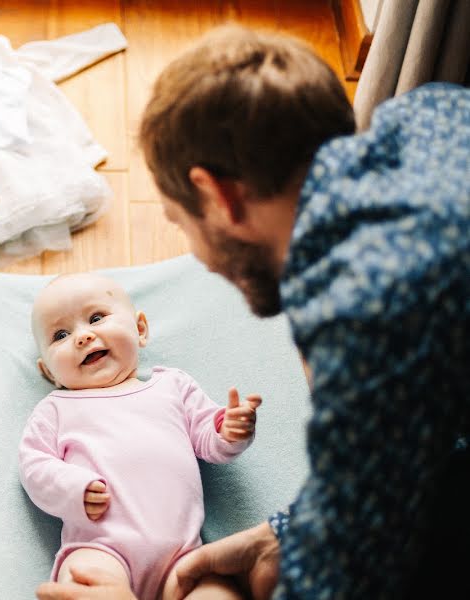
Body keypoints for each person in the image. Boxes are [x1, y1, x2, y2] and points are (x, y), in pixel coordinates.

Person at [37, 25, 469, 600]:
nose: (198, 257)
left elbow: (350, 565)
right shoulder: (435, 110)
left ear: (219, 196)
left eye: (180, 223)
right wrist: (280, 533)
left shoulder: (367, 319)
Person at [20, 272, 262, 600]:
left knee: (217, 593)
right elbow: (33, 466)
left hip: (184, 555)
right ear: (49, 371)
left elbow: (210, 436)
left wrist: (230, 428)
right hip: (101, 549)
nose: (82, 336)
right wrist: (72, 486)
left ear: (140, 329)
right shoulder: (56, 409)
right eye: (60, 334)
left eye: (96, 318)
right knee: (82, 580)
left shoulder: (171, 386)